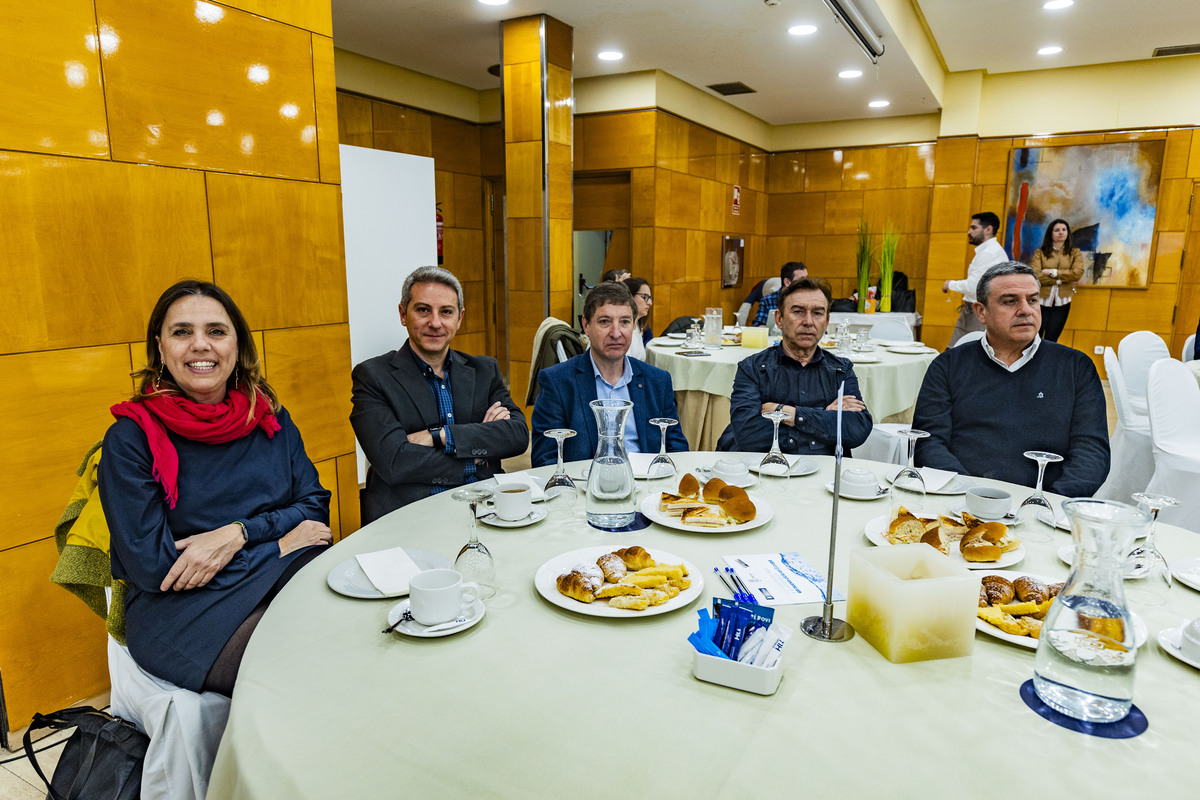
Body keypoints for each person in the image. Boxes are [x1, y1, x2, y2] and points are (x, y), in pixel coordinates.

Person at [99, 280, 333, 695]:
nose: (200, 345)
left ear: (237, 345)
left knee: (365, 632)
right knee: (299, 671)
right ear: (160, 346)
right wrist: (277, 544)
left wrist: (237, 534)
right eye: (182, 331)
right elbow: (156, 568)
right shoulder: (130, 439)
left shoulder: (270, 417)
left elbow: (314, 509)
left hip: (278, 572)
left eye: (216, 331)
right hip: (184, 612)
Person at [914, 261, 1110, 496]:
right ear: (981, 312)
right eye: (1010, 301)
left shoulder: (1076, 367)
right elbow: (928, 441)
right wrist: (969, 495)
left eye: (1033, 300)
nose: (1026, 309)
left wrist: (1050, 503)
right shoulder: (948, 366)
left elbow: (1091, 452)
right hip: (963, 500)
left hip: (1047, 505)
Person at [351, 266, 528, 522]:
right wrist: (476, 457)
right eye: (423, 310)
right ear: (403, 314)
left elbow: (518, 435)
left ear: (459, 318)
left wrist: (440, 435)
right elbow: (394, 462)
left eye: (446, 312)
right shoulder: (372, 376)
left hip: (485, 508)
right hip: (410, 515)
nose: (435, 323)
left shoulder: (483, 369)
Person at [531, 282, 688, 466]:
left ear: (633, 325)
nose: (616, 333)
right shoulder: (557, 382)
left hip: (647, 486)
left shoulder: (658, 381)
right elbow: (545, 460)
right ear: (586, 326)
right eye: (605, 321)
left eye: (624, 322)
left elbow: (677, 451)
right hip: (586, 488)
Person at [717, 277, 872, 454]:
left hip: (826, 474)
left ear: (827, 322)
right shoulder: (752, 368)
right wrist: (825, 418)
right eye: (798, 311)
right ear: (779, 319)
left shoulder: (841, 370)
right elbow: (749, 436)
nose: (808, 321)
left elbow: (856, 430)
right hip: (764, 470)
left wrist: (787, 413)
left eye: (817, 313)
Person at [943, 211, 1007, 346]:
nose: (969, 232)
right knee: (955, 354)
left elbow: (975, 287)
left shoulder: (989, 253)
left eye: (974, 228)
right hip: (975, 310)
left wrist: (950, 284)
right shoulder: (989, 251)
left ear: (988, 229)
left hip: (981, 312)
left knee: (961, 356)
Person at [1030, 218, 1084, 343]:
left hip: (1062, 302)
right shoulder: (1040, 253)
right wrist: (1060, 280)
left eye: (1064, 229)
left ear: (1068, 233)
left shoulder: (1075, 253)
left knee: (1052, 339)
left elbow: (1077, 274)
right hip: (1041, 301)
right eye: (1057, 230)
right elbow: (1035, 276)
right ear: (1050, 233)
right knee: (1034, 337)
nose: (1061, 232)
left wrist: (1053, 273)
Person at [751, 261, 808, 327]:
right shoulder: (767, 301)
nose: (806, 283)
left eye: (806, 278)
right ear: (787, 282)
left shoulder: (809, 300)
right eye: (802, 280)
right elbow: (758, 326)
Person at [621, 275, 654, 360]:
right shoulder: (619, 328)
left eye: (650, 298)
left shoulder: (639, 325)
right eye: (645, 297)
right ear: (630, 296)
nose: (650, 303)